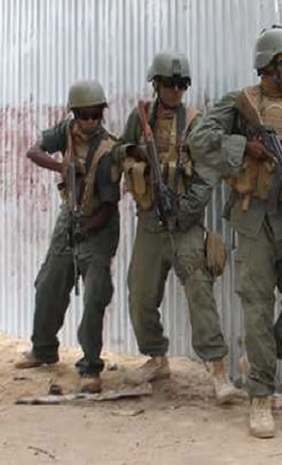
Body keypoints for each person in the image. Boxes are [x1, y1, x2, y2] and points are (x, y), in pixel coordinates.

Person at [188, 25, 282, 438]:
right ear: (268, 66)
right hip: (252, 220)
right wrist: (243, 147)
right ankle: (260, 396)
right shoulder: (239, 104)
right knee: (257, 306)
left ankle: (259, 360)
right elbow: (199, 140)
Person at [117, 51, 242, 405]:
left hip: (184, 223)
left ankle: (218, 372)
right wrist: (135, 153)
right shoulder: (140, 118)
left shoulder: (196, 122)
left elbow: (208, 173)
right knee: (140, 294)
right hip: (150, 222)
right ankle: (157, 359)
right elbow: (120, 151)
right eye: (170, 84)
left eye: (182, 84)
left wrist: (186, 211)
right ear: (156, 84)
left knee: (200, 291)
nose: (176, 91)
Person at [14, 80, 122, 394]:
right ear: (74, 114)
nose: (90, 121)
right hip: (69, 215)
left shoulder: (108, 150)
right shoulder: (66, 132)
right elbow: (34, 151)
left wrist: (85, 229)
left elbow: (109, 206)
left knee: (94, 295)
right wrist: (63, 167)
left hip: (98, 224)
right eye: (83, 115)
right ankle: (43, 349)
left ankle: (90, 367)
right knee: (49, 282)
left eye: (95, 115)